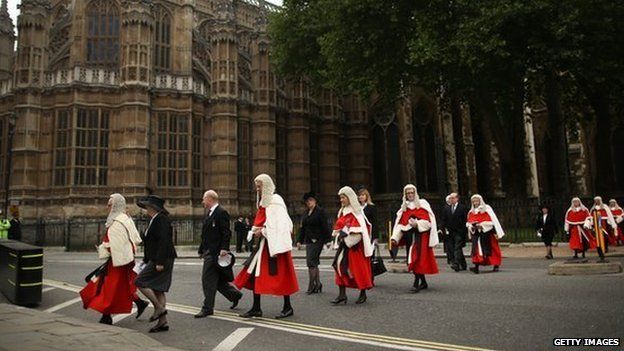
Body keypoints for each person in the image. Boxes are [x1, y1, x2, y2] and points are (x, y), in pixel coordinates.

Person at [234, 174, 299, 319]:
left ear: (267, 185)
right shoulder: (264, 202)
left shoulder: (275, 201)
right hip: (264, 245)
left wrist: (261, 231)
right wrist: (256, 231)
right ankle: (256, 308)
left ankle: (288, 307)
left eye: (259, 186)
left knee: (282, 276)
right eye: (256, 186)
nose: (257, 189)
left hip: (275, 245)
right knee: (255, 275)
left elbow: (280, 225)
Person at [79, 194, 147, 325]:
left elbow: (119, 242)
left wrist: (106, 247)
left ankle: (106, 315)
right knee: (121, 286)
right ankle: (139, 303)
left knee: (110, 287)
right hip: (122, 259)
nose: (107, 207)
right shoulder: (125, 219)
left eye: (110, 204)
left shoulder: (117, 221)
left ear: (116, 205)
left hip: (119, 261)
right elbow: (135, 238)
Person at [195, 190, 243, 318]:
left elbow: (226, 232)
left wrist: (224, 248)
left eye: (204, 199)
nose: (202, 202)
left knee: (207, 280)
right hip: (209, 251)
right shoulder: (210, 213)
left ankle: (207, 308)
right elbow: (205, 235)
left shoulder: (221, 212)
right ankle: (235, 295)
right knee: (218, 281)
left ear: (210, 199)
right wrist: (201, 250)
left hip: (216, 253)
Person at [135, 195, 178, 333]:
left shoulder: (161, 219)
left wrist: (159, 262)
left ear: (153, 207)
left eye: (147, 206)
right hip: (156, 258)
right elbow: (152, 242)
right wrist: (146, 259)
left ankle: (159, 308)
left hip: (163, 259)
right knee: (158, 289)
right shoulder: (154, 219)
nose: (145, 208)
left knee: (140, 281)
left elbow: (164, 241)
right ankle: (162, 323)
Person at [390, 184, 439, 292]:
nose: (410, 195)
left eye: (412, 192)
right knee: (412, 259)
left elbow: (428, 222)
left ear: (415, 193)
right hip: (409, 238)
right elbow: (400, 224)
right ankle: (423, 282)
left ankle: (416, 283)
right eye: (408, 193)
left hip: (420, 237)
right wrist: (395, 237)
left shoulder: (422, 204)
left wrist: (417, 224)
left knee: (417, 259)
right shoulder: (404, 207)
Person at [331, 186, 374, 305]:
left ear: (349, 198)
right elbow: (340, 227)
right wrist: (340, 237)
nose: (341, 200)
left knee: (358, 271)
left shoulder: (356, 213)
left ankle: (363, 293)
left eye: (343, 197)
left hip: (355, 249)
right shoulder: (342, 212)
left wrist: (345, 239)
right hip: (344, 246)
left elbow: (359, 233)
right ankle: (342, 294)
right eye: (340, 198)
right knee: (339, 268)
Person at [297, 191, 331, 294]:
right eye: (307, 201)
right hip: (309, 240)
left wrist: (328, 240)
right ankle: (318, 284)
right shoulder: (306, 213)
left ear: (315, 201)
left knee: (311, 262)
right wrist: (299, 240)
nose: (309, 202)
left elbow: (325, 227)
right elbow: (303, 228)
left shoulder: (321, 212)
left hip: (318, 240)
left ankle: (311, 286)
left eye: (311, 200)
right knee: (313, 263)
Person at [467, 194, 504, 274]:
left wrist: (482, 225)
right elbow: (469, 222)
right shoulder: (471, 212)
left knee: (492, 249)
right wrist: (471, 226)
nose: (475, 203)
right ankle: (476, 266)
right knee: (476, 250)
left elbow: (491, 222)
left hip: (487, 233)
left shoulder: (487, 209)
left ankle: (496, 264)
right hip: (476, 233)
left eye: (476, 201)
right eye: (473, 201)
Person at [440, 193, 468, 271]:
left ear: (457, 199)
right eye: (450, 198)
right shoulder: (447, 208)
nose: (451, 200)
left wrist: (465, 231)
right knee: (455, 249)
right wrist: (441, 228)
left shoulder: (462, 208)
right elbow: (444, 219)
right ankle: (463, 264)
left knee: (457, 247)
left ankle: (456, 264)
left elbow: (465, 220)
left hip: (459, 232)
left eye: (453, 198)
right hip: (450, 232)